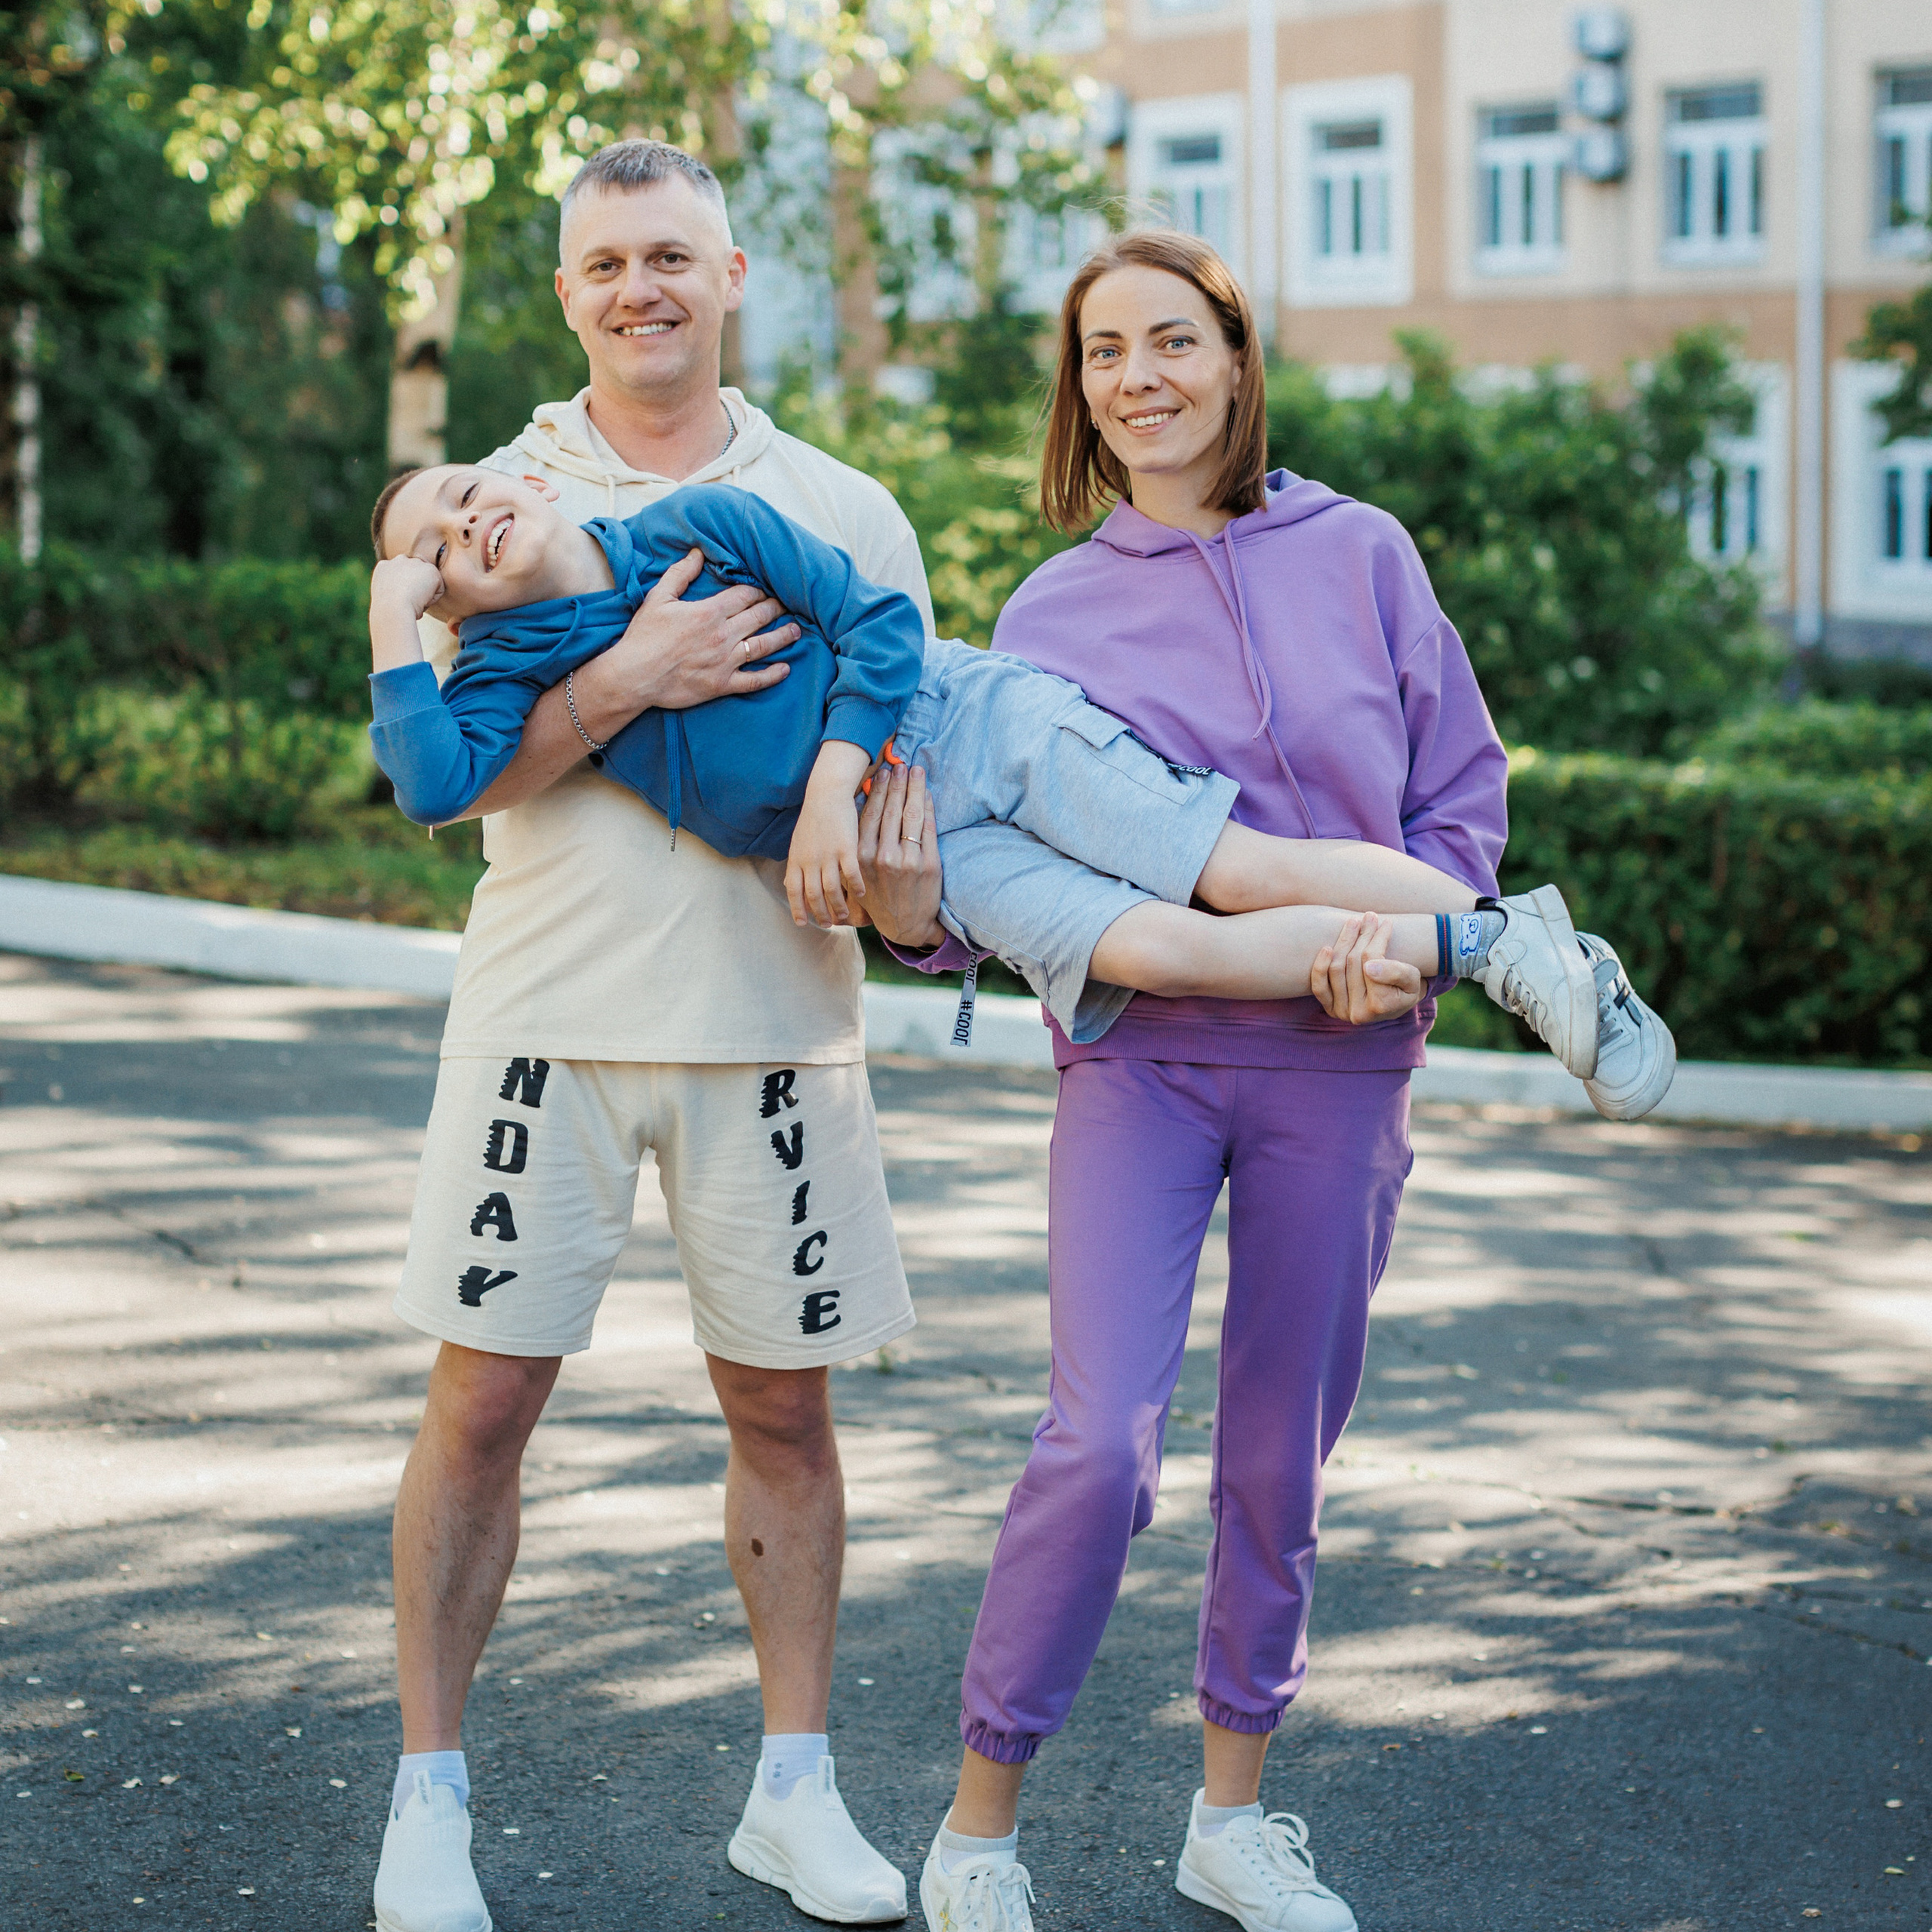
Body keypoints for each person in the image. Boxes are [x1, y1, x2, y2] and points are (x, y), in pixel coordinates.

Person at [857, 229, 1672, 1932]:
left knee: (1275, 1457)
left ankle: (1230, 1816)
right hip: (1141, 1063)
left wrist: (1412, 945)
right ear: (1077, 392)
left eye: (1170, 342)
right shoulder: (1048, 605)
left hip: (1343, 1065)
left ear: (1234, 359)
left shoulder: (1361, 552)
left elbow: (1457, 794)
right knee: (1096, 1445)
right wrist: (918, 924)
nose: (1136, 378)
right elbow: (998, 870)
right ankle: (976, 1827)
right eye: (1101, 354)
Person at [371, 137, 928, 1932]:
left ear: (734, 271)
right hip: (543, 1021)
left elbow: (892, 803)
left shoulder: (832, 500)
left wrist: (902, 890)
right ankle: (428, 1803)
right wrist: (629, 680)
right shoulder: (489, 498)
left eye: (672, 255)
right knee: (482, 1405)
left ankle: (794, 1790)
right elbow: (448, 782)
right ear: (564, 291)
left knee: (783, 1410)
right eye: (607, 263)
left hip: (778, 1030)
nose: (641, 290)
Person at [363, 461, 1643, 1067]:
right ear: (447, 603)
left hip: (963, 725)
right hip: (918, 842)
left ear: (522, 480)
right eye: (436, 545)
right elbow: (430, 785)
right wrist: (389, 614)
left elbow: (879, 626)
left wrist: (823, 788)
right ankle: (1475, 952)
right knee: (1153, 950)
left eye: (465, 489)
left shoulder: (690, 523)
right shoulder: (501, 677)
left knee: (1234, 870)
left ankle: (1503, 935)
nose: (465, 521)